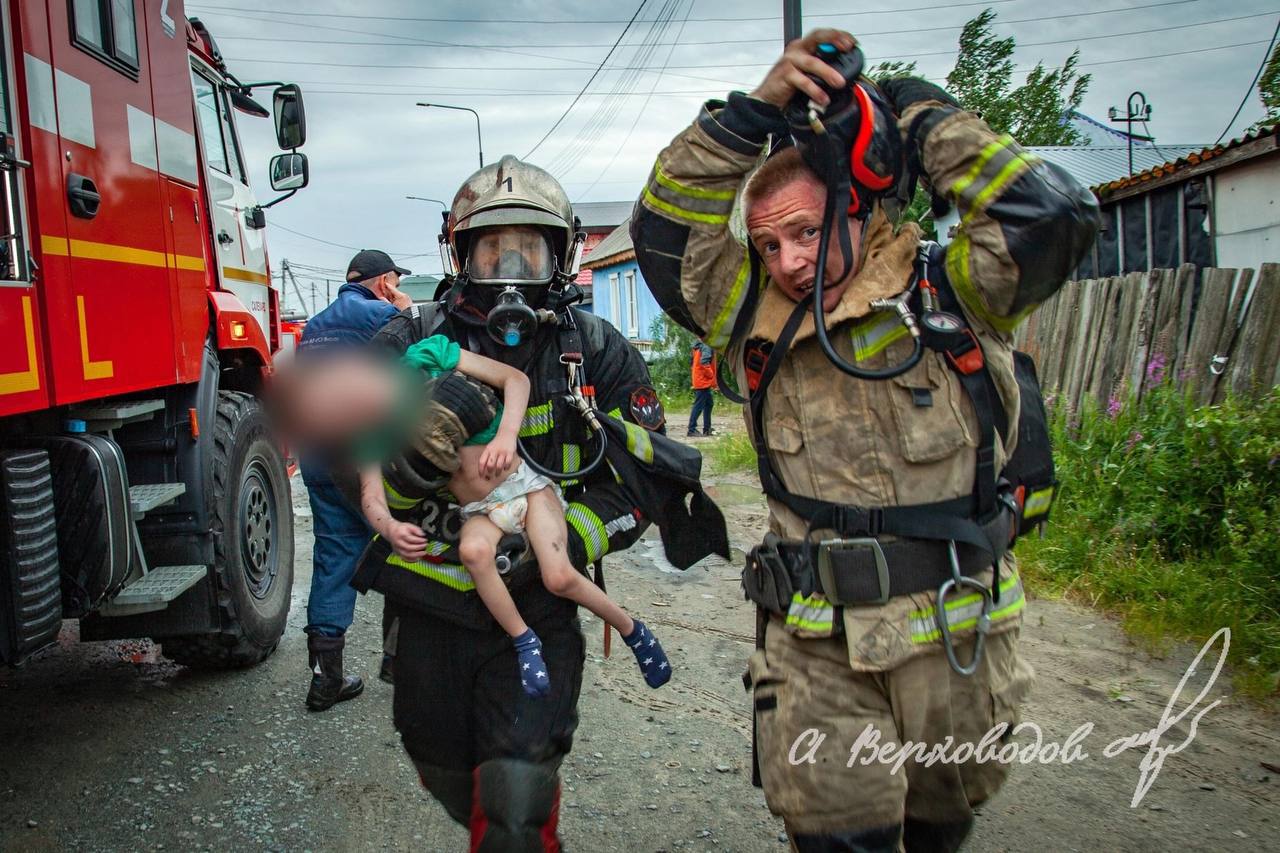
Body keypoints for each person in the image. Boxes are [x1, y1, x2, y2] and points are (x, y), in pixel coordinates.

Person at [632, 30, 1099, 852]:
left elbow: (1052, 213)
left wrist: (907, 114)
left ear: (857, 205)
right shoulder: (749, 315)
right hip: (815, 649)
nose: (787, 260)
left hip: (957, 643)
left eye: (806, 232)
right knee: (835, 839)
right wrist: (755, 111)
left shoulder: (957, 288)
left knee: (938, 833)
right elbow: (665, 225)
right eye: (769, 242)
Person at [349, 156, 703, 851]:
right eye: (492, 247)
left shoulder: (593, 349)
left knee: (514, 808)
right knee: (441, 767)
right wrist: (405, 477)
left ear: (562, 253)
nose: (510, 263)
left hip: (540, 603)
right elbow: (341, 456)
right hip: (430, 612)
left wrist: (570, 538)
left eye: (529, 247)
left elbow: (642, 475)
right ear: (460, 252)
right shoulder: (408, 341)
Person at [353, 335, 672, 696]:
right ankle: (525, 642)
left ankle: (633, 631)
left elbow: (515, 380)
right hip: (479, 510)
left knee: (559, 576)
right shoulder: (371, 428)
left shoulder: (428, 354)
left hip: (526, 487)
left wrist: (507, 436)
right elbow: (371, 499)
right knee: (474, 554)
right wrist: (391, 528)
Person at [297, 249, 412, 712]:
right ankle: (397, 663)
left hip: (319, 453)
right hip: (368, 454)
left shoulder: (313, 326)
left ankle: (327, 680)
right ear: (385, 281)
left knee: (334, 554)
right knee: (402, 549)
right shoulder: (385, 314)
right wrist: (407, 312)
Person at [687, 341, 716, 437]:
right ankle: (691, 430)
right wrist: (711, 375)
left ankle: (707, 429)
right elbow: (704, 362)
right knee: (698, 406)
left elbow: (691, 362)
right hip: (703, 381)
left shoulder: (697, 346)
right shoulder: (706, 345)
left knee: (709, 403)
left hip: (700, 379)